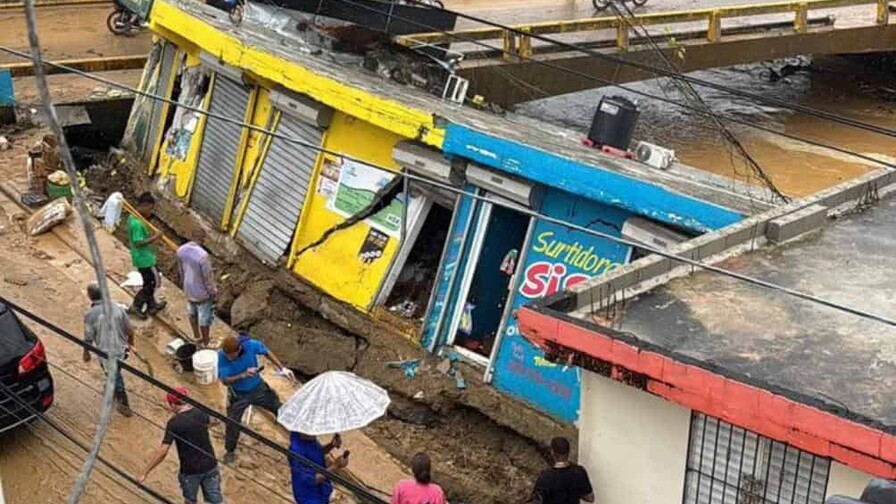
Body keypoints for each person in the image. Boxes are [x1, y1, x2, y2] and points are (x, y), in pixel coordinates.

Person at [138, 388, 224, 504]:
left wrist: (145, 472)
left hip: (190, 471)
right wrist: (201, 428)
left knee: (190, 500)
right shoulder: (200, 412)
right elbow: (216, 421)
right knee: (216, 500)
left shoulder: (174, 423)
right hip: (210, 466)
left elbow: (163, 451)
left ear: (173, 404)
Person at [218, 333, 295, 464]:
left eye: (231, 355)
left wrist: (282, 368)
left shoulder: (251, 345)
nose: (229, 358)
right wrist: (243, 375)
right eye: (227, 355)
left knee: (280, 410)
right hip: (239, 395)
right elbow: (225, 380)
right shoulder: (222, 356)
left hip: (259, 389)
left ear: (239, 349)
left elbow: (266, 351)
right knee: (232, 423)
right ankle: (230, 450)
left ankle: (298, 438)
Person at [82, 283, 135, 417]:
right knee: (116, 371)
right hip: (122, 349)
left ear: (90, 296)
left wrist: (86, 352)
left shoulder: (90, 315)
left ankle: (124, 403)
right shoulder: (117, 308)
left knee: (114, 376)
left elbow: (88, 338)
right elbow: (130, 330)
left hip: (106, 352)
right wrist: (131, 344)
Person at [129, 192, 167, 319]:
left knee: (148, 281)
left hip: (142, 257)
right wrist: (155, 237)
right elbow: (139, 243)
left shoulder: (134, 217)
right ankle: (136, 305)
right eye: (150, 209)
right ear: (145, 206)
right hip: (144, 259)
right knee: (153, 283)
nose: (151, 212)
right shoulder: (137, 224)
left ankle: (151, 305)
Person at [531, 437, 594, 504]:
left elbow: (536, 501)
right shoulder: (579, 472)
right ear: (568, 451)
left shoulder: (545, 476)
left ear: (552, 452)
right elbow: (590, 498)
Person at [177, 241, 217, 347]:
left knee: (192, 313)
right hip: (201, 293)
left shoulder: (181, 251)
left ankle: (196, 336)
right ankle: (205, 342)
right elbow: (208, 278)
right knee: (204, 319)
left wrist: (183, 284)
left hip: (189, 288)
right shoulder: (203, 257)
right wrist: (213, 292)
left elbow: (181, 271)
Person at [289, 432, 347, 504]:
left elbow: (317, 452)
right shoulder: (296, 451)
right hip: (309, 497)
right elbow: (311, 479)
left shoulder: (309, 439)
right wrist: (335, 466)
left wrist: (331, 445)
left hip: (320, 492)